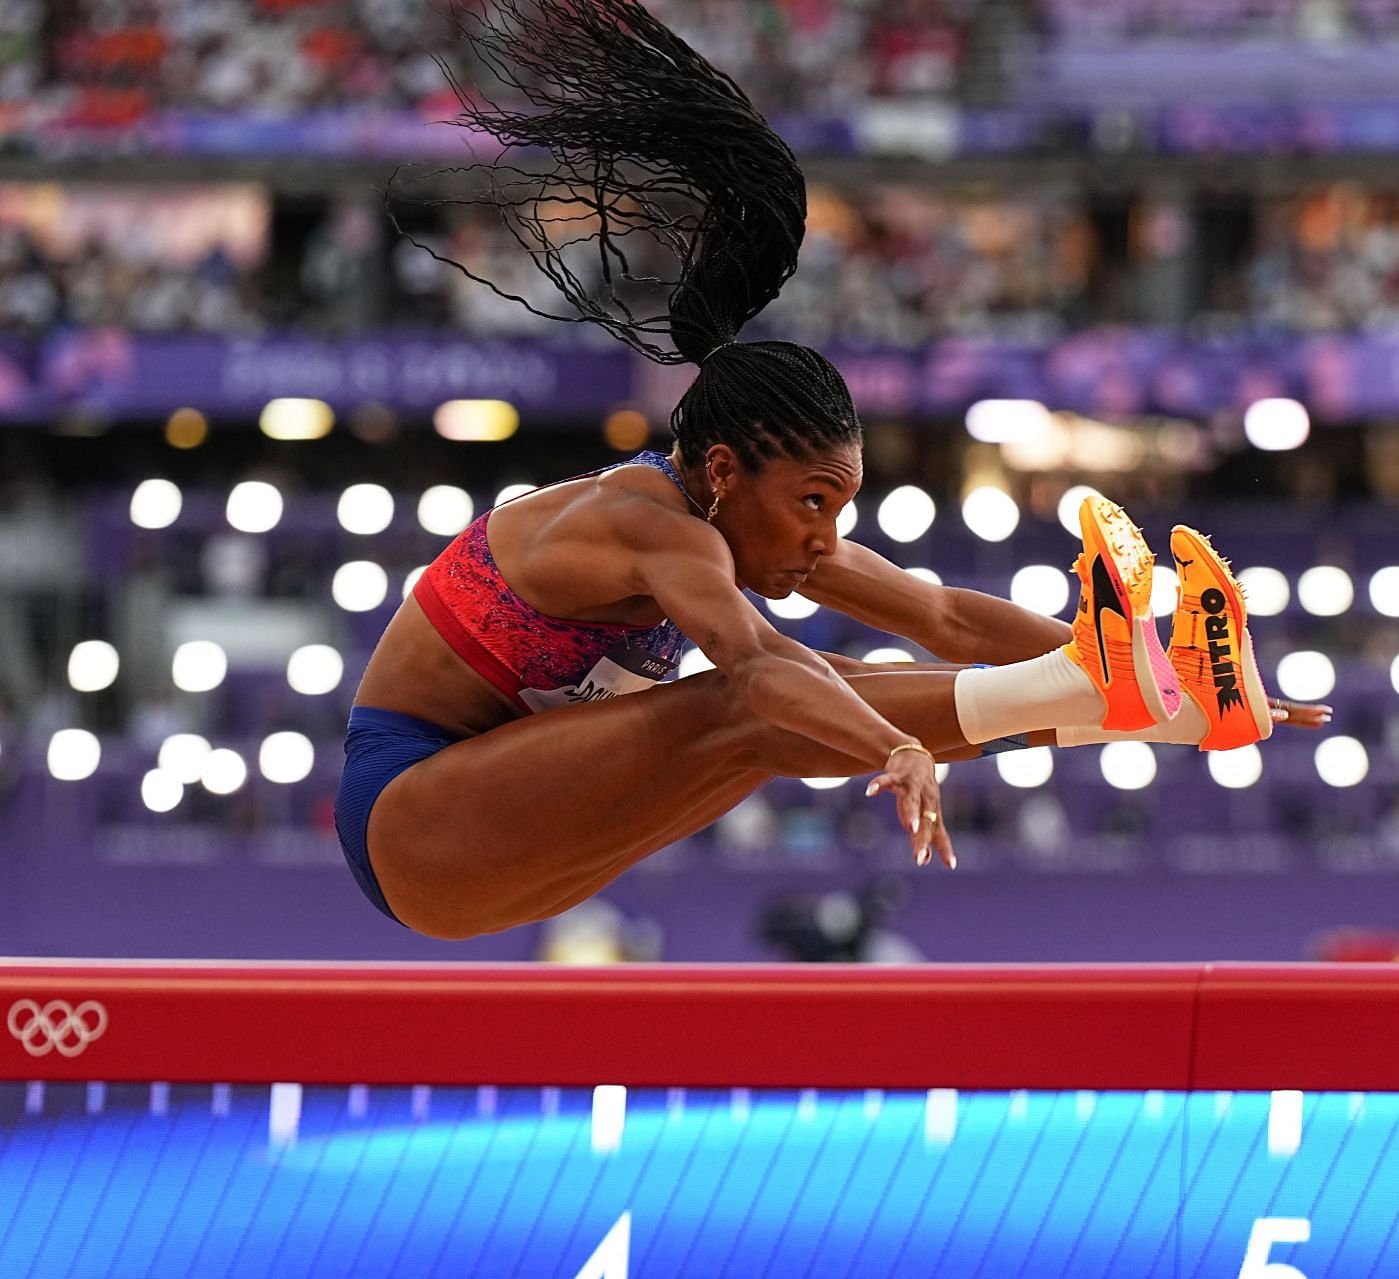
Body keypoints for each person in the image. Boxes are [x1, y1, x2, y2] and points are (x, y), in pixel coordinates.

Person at [335, 0, 1331, 941]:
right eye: (812, 505)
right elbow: (759, 670)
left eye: (838, 507)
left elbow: (949, 620)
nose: (822, 539)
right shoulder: (642, 523)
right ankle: (1103, 693)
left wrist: (1164, 672)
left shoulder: (743, 525)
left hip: (503, 840)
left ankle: (1161, 707)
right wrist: (889, 747)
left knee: (821, 690)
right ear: (722, 470)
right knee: (772, 697)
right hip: (415, 819)